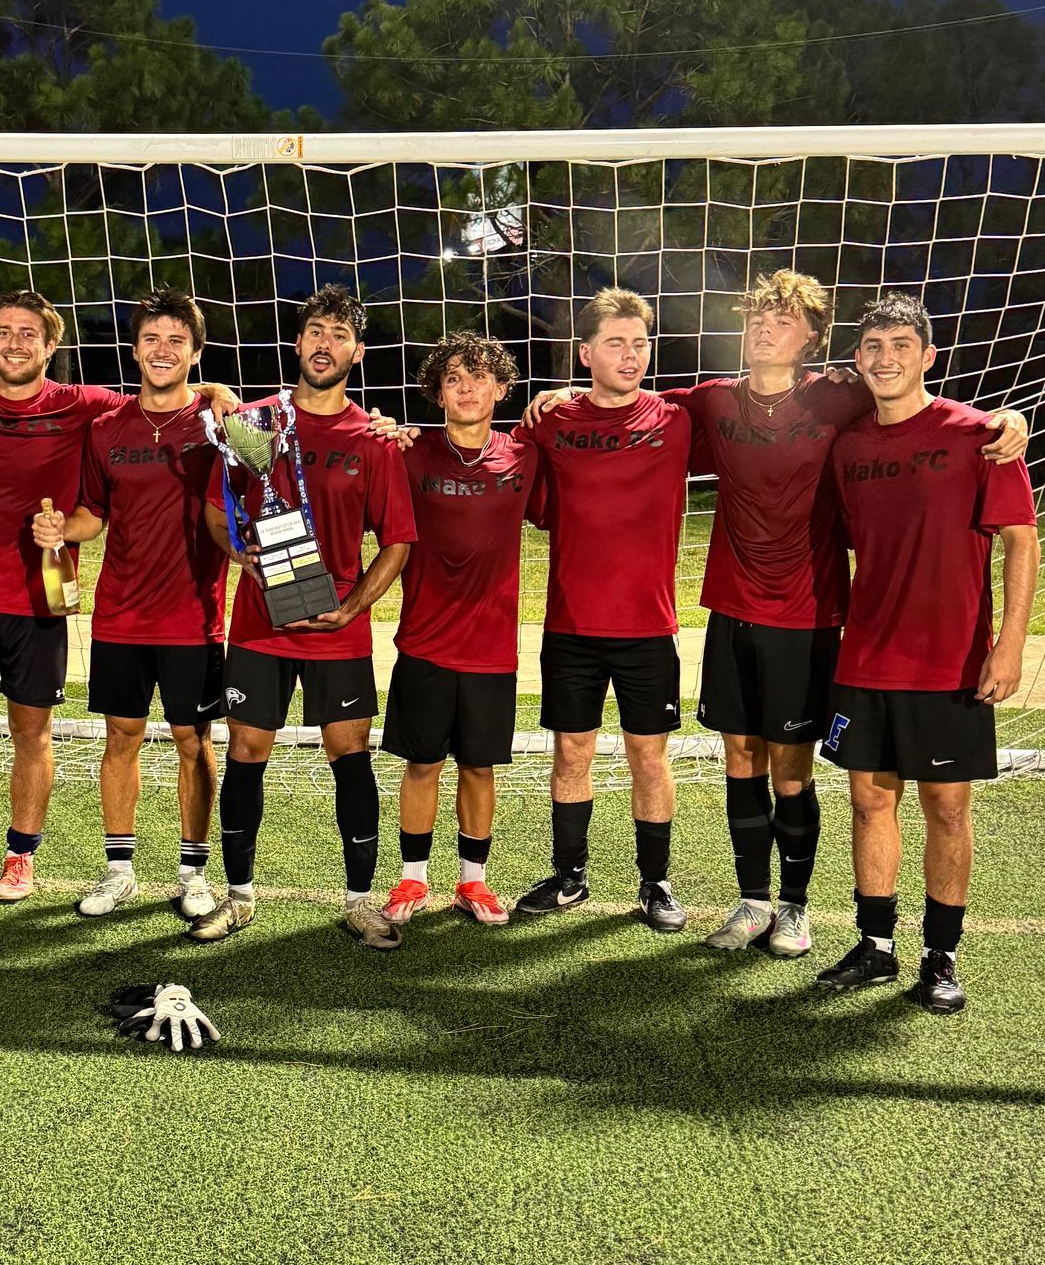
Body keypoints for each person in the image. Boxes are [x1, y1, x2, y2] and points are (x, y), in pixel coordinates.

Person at [670, 270, 1028, 960]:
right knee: (740, 759)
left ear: (813, 339)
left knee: (796, 772)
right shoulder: (713, 401)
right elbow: (639, 411)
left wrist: (1009, 419)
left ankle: (800, 912)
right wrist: (566, 393)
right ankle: (755, 902)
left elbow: (933, 415)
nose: (765, 329)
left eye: (783, 320)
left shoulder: (842, 398)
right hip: (736, 610)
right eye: (757, 318)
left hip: (811, 615)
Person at [0, 294, 241, 910]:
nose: (15, 342)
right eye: (3, 331)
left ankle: (39, 860)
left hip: (60, 604)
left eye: (29, 333)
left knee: (67, 735)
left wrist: (216, 389)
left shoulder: (92, 408)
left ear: (51, 346)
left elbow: (190, 403)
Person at [814, 293, 1040, 1013]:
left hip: (951, 661)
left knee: (946, 807)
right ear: (858, 359)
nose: (885, 358)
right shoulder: (847, 449)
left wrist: (1008, 647)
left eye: (900, 345)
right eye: (873, 346)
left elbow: (1021, 543)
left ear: (928, 356)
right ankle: (875, 945)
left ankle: (940, 956)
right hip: (866, 657)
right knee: (869, 799)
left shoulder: (981, 436)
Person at [189, 285, 417, 948]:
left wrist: (351, 606)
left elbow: (397, 541)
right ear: (297, 342)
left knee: (348, 753)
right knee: (247, 751)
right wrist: (242, 556)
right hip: (262, 621)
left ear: (358, 351)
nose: (325, 344)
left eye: (339, 334)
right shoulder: (256, 424)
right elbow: (215, 506)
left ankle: (357, 901)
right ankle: (238, 898)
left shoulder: (373, 441)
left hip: (334, 629)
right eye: (316, 330)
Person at [26, 288, 229, 923]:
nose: (161, 351)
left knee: (193, 741)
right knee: (121, 736)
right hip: (120, 613)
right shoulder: (106, 428)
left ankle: (193, 870)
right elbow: (95, 512)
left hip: (194, 616)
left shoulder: (220, 422)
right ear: (134, 349)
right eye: (150, 339)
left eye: (176, 340)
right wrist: (63, 533)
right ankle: (119, 869)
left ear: (196, 352)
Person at [514, 288, 690, 932]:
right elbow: (496, 462)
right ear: (584, 352)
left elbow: (757, 394)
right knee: (572, 753)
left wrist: (833, 375)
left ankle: (656, 883)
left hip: (648, 627)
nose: (631, 354)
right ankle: (570, 876)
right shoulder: (550, 421)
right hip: (571, 625)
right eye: (615, 343)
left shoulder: (676, 418)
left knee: (650, 755)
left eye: (640, 342)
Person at [379, 332, 537, 928]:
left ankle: (474, 882)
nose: (467, 387)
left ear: (502, 388)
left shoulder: (525, 454)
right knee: (421, 766)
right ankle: (412, 879)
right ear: (437, 392)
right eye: (453, 378)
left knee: (479, 767)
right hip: (423, 641)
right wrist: (383, 430)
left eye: (479, 377)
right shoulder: (409, 454)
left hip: (491, 646)